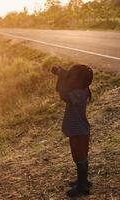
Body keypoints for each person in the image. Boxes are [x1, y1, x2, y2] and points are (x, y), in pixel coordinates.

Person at [51, 64, 93, 197]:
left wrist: (60, 76)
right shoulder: (83, 89)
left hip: (78, 131)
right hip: (79, 129)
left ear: (78, 81)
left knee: (79, 157)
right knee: (80, 157)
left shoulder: (78, 94)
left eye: (72, 77)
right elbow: (67, 84)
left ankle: (82, 187)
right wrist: (62, 74)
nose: (69, 79)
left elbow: (62, 92)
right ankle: (83, 181)